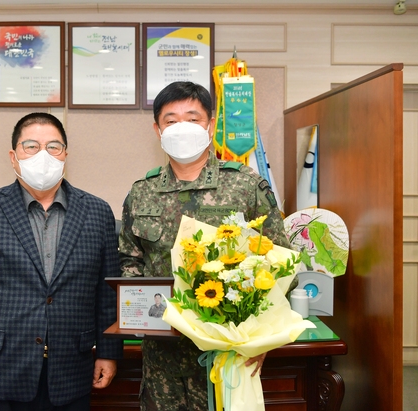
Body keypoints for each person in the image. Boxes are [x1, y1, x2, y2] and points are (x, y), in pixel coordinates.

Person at [118, 81, 291, 411]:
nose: (181, 127)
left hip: (229, 353)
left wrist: (262, 338)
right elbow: (129, 260)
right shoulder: (142, 191)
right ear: (157, 129)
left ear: (210, 125)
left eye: (192, 118)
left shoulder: (244, 184)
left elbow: (279, 260)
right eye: (171, 120)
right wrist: (137, 314)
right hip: (162, 357)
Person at [0, 112, 123, 411]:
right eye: (31, 146)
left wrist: (108, 353)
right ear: (14, 157)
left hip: (70, 370)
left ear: (65, 155)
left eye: (54, 147)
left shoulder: (97, 211)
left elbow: (106, 294)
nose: (44, 155)